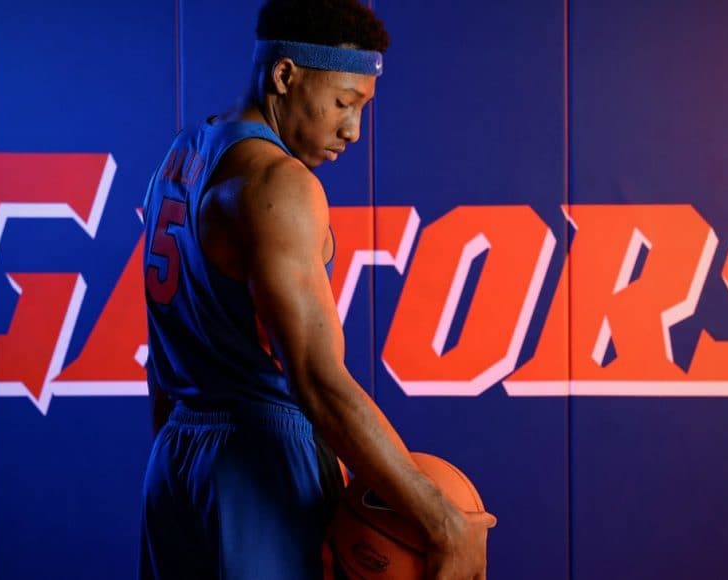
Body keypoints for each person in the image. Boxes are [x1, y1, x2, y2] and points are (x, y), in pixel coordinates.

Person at [138, 1, 489, 578]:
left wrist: (183, 472)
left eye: (363, 109)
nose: (352, 130)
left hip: (175, 460)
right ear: (285, 75)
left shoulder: (180, 159)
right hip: (260, 459)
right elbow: (318, 384)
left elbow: (162, 358)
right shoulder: (280, 184)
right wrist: (440, 519)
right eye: (344, 103)